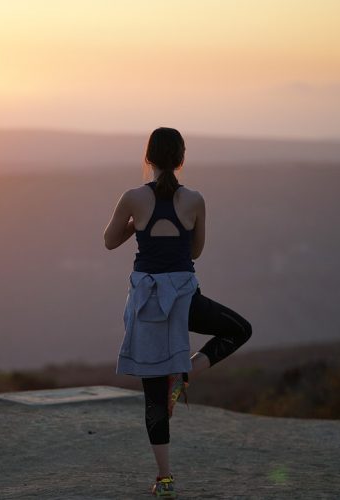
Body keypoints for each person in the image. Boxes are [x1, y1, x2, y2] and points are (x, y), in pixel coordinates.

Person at [103, 127, 253, 498]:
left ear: (148, 158)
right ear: (182, 158)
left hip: (147, 303)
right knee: (238, 329)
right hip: (184, 299)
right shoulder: (196, 199)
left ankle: (165, 478)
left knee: (152, 392)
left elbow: (109, 241)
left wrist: (138, 223)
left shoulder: (133, 197)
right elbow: (196, 252)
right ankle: (186, 373)